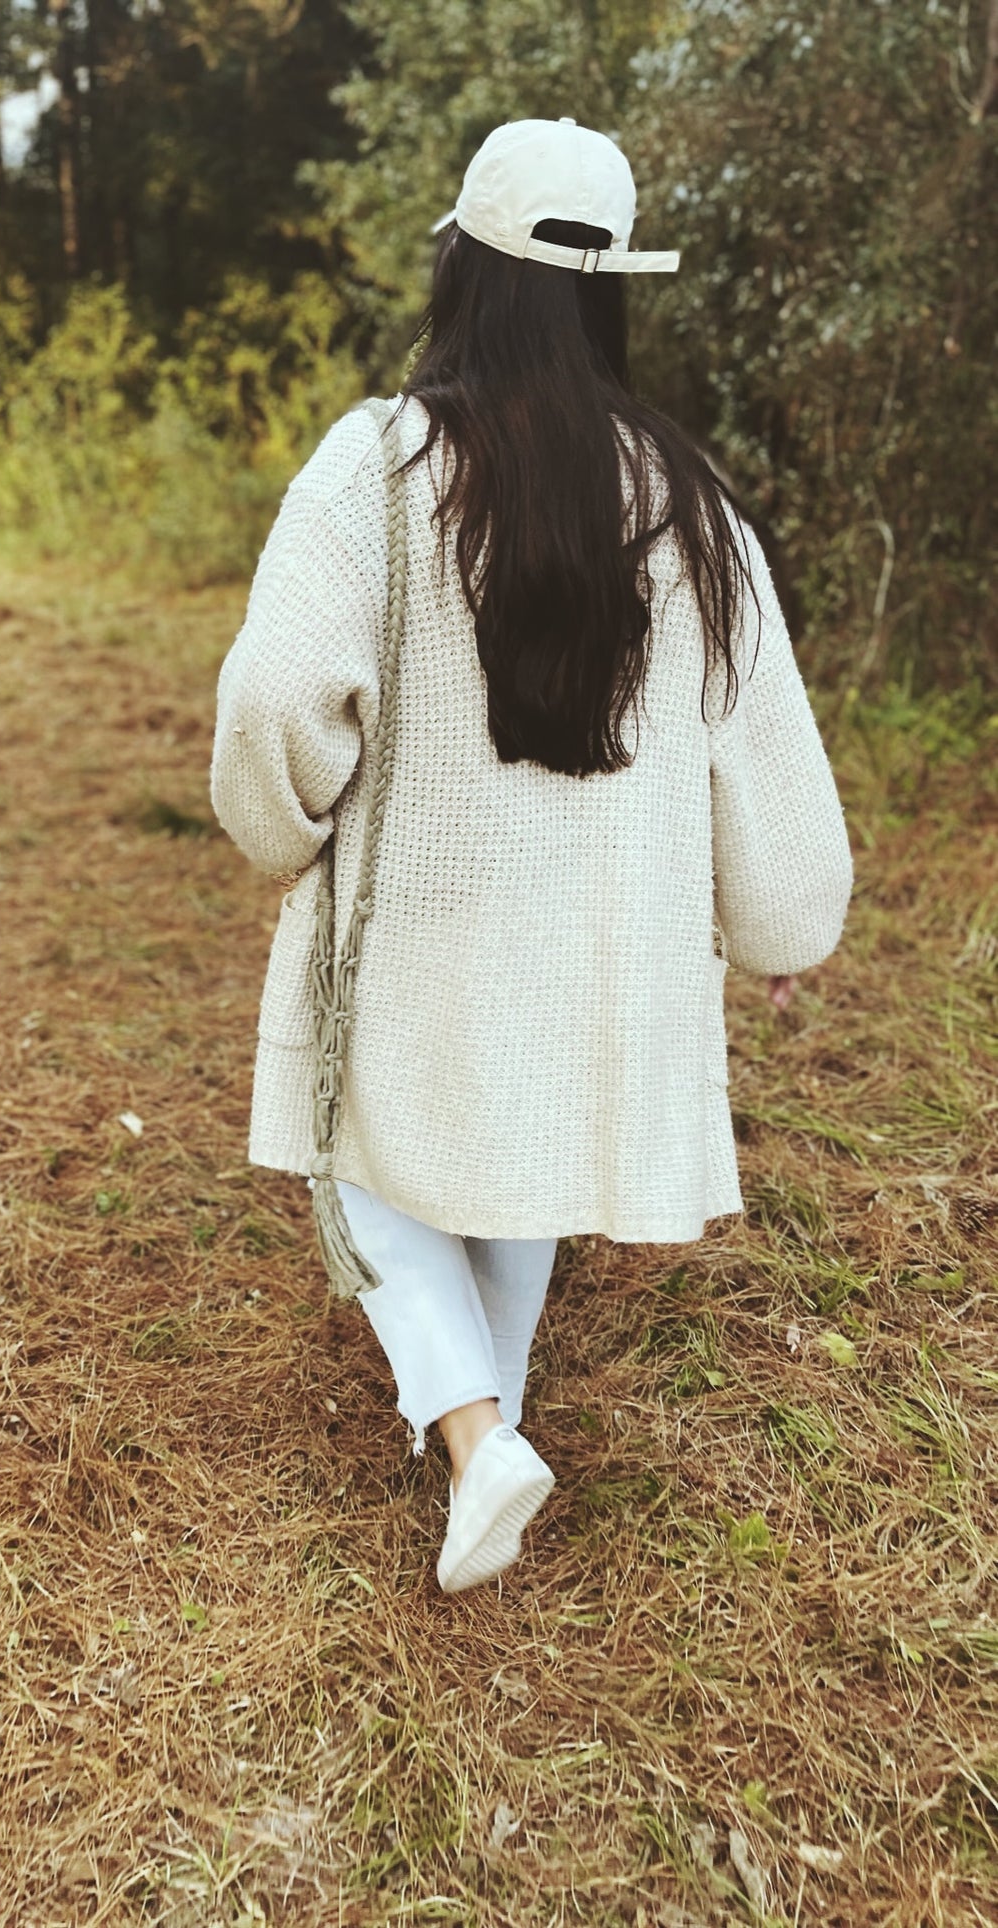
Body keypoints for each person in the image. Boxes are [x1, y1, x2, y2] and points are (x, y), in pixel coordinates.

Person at [208, 118, 852, 1594]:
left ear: (462, 271)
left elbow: (272, 699)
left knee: (364, 1164)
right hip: (602, 950)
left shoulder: (376, 468)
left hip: (420, 931)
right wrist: (780, 921)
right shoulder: (688, 505)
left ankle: (474, 1438)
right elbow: (764, 749)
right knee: (524, 1168)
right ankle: (479, 1443)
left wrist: (284, 822)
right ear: (606, 289)